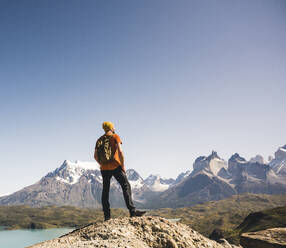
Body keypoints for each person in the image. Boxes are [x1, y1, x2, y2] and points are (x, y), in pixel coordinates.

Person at [94, 121, 146, 221]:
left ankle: (107, 216)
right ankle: (132, 211)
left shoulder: (99, 140)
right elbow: (120, 152)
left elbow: (95, 156)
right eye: (113, 127)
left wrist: (102, 164)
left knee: (105, 191)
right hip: (115, 166)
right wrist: (122, 166)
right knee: (125, 185)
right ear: (111, 128)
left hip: (104, 169)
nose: (114, 128)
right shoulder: (115, 137)